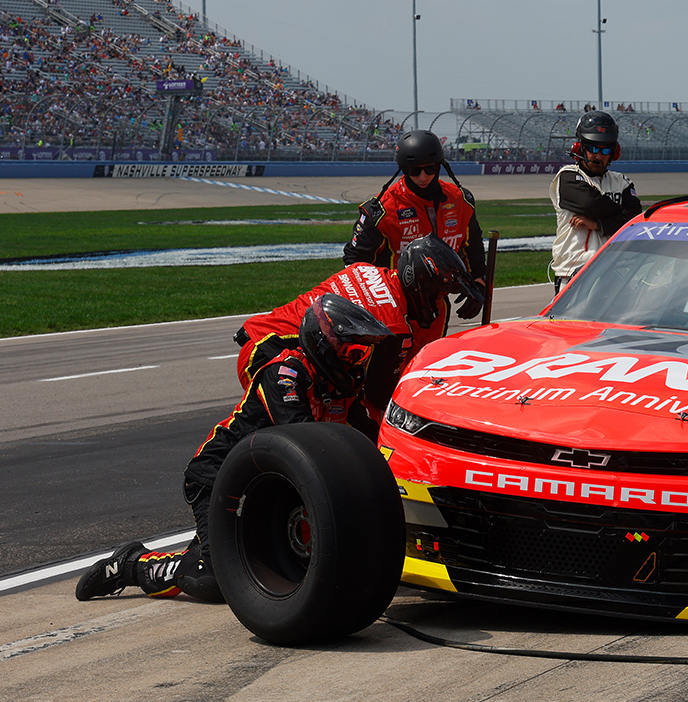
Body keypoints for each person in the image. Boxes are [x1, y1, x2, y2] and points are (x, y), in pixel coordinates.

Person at [75, 294, 395, 604]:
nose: (357, 357)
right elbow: (305, 448)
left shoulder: (343, 384)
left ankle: (206, 547)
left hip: (261, 481)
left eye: (361, 350)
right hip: (217, 473)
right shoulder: (287, 374)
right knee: (213, 578)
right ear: (324, 345)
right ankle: (131, 564)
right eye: (351, 349)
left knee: (259, 562)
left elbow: (368, 439)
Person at [234, 235, 481, 416]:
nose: (439, 305)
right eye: (439, 295)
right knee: (304, 440)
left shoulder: (366, 269)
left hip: (260, 335)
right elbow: (379, 396)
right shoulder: (393, 325)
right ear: (421, 283)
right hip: (272, 357)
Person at [343, 130, 487, 333]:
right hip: (391, 310)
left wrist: (480, 280)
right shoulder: (382, 210)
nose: (423, 177)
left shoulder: (461, 200)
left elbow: (473, 245)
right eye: (414, 171)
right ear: (403, 169)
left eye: (430, 169)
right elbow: (354, 262)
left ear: (439, 166)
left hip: (437, 308)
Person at [549, 111, 642, 293]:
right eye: (593, 149)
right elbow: (590, 204)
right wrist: (620, 215)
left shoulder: (622, 181)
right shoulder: (567, 177)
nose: (598, 156)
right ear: (580, 148)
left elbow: (635, 219)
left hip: (614, 272)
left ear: (614, 152)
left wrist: (597, 223)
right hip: (575, 271)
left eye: (605, 150)